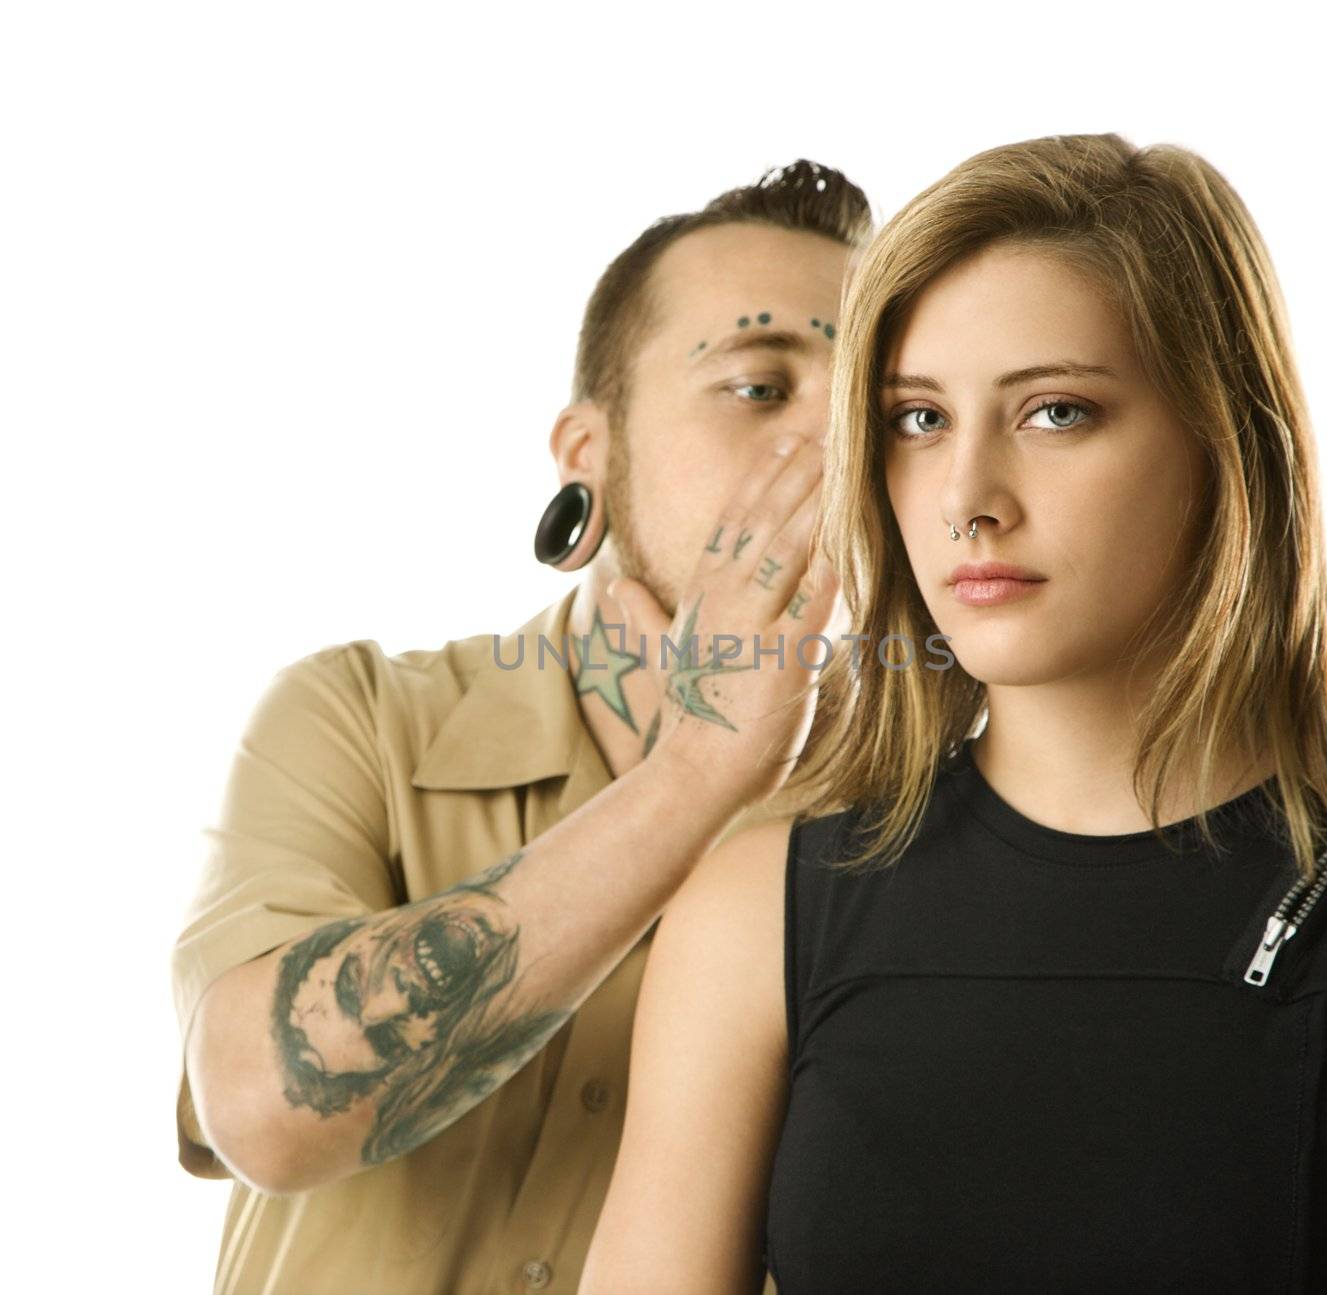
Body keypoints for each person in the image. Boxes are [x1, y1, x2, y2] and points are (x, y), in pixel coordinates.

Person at [580, 134, 1327, 1294]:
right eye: (917, 420)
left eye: (1055, 412)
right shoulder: (758, 910)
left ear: (1229, 444)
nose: (967, 498)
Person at [170, 158, 872, 1294]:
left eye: (870, 412)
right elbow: (260, 1105)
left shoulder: (924, 817)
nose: (824, 452)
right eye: (757, 385)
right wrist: (696, 771)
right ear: (586, 455)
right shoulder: (361, 716)